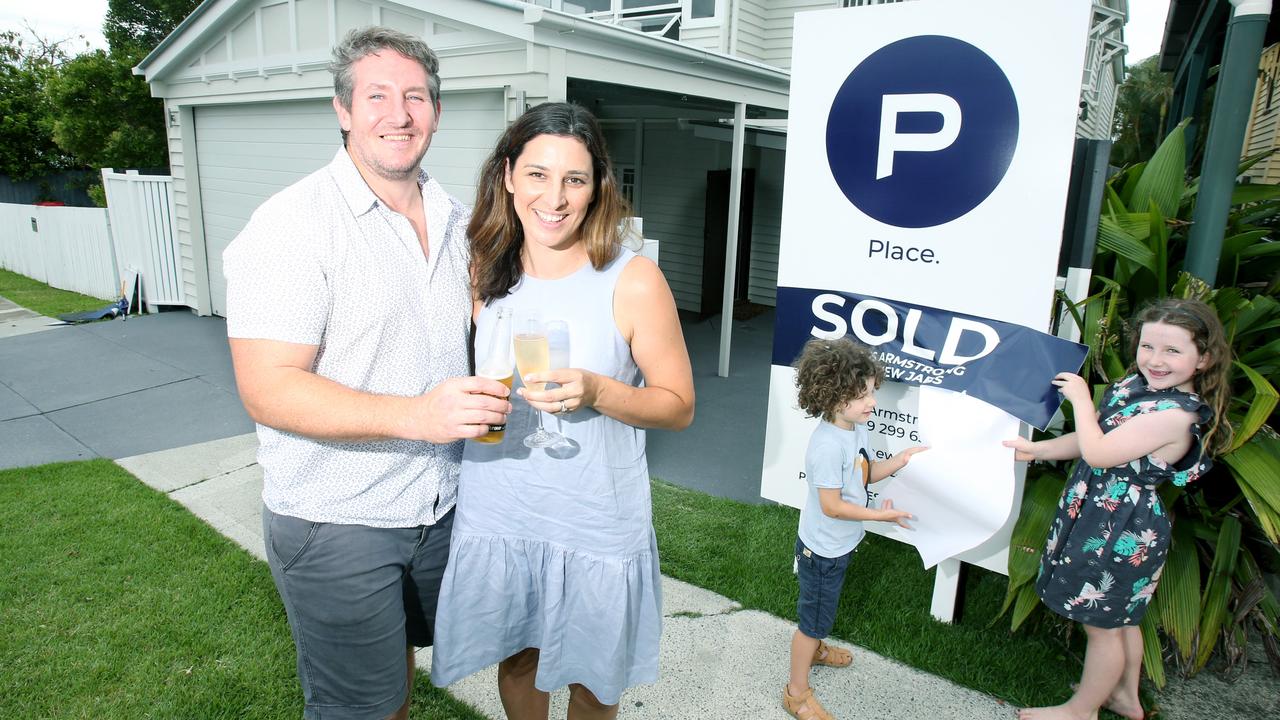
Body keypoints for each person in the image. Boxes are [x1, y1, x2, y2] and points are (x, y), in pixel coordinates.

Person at [222, 26, 510, 720]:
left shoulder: (454, 219)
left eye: (416, 96)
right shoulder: (292, 226)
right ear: (343, 110)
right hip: (337, 518)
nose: (400, 113)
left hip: (440, 505)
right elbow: (268, 386)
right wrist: (417, 415)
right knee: (363, 708)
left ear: (436, 112)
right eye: (376, 96)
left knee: (408, 679)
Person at [429, 102, 695, 719]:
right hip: (502, 506)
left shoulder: (633, 279)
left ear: (597, 185)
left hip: (593, 516)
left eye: (574, 179)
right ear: (508, 177)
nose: (555, 197)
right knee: (519, 658)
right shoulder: (482, 268)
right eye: (538, 174)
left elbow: (678, 406)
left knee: (592, 679)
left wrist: (599, 392)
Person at [1003, 298, 1232, 720]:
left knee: (1101, 627)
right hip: (1098, 510)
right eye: (1148, 347)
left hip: (1121, 527)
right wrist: (1038, 449)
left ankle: (1081, 711)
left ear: (1205, 358)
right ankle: (1126, 697)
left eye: (1172, 351)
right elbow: (1094, 439)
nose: (1155, 360)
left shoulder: (1176, 416)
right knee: (1121, 620)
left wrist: (1082, 400)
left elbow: (1101, 451)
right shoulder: (1137, 388)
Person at [784, 337, 926, 720]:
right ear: (833, 397)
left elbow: (862, 479)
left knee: (820, 615)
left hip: (838, 546)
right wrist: (880, 517)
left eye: (871, 392)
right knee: (811, 622)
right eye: (862, 395)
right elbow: (832, 506)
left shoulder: (853, 431)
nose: (872, 402)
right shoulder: (828, 447)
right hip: (822, 552)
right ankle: (797, 693)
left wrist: (898, 460)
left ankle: (815, 649)